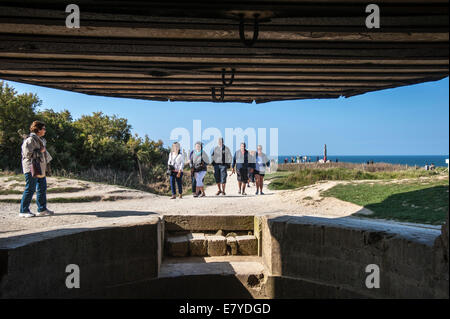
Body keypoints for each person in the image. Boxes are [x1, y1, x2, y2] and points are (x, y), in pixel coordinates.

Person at [19, 121, 54, 218]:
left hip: (40, 168)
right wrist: (40, 151)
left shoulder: (40, 140)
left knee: (42, 188)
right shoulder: (30, 140)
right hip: (31, 168)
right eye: (43, 128)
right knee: (30, 189)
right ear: (38, 130)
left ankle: (42, 209)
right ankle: (23, 211)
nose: (45, 130)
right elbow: (27, 154)